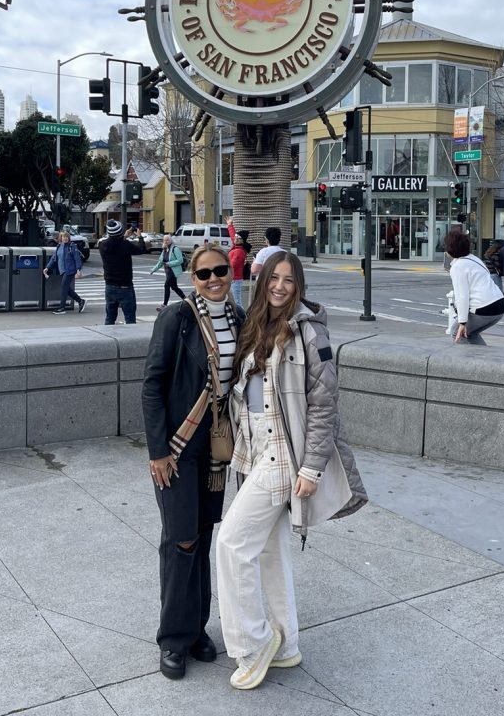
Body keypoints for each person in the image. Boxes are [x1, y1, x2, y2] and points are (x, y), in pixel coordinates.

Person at [216, 251, 367, 690]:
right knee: (268, 548)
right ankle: (286, 643)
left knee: (231, 542)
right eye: (274, 279)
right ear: (263, 283)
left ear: (299, 285)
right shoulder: (256, 326)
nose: (280, 286)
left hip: (285, 456)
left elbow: (324, 406)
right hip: (255, 450)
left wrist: (313, 470)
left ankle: (252, 642)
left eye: (289, 280)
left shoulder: (309, 332)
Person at [142, 246, 245, 681]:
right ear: (192, 277)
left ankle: (198, 628)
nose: (214, 279)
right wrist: (157, 451)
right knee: (180, 540)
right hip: (179, 447)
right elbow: (151, 386)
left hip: (217, 447)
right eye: (204, 274)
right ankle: (173, 638)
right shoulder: (177, 318)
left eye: (220, 271)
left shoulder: (239, 319)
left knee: (204, 537)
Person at [444, 229, 504, 344]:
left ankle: (470, 361)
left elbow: (462, 296)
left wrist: (462, 322)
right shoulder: (474, 259)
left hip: (485, 307)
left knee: (456, 331)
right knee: (470, 334)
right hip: (499, 303)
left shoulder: (458, 266)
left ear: (451, 248)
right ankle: (484, 359)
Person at [99, 219, 148, 324]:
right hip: (125, 286)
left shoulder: (102, 245)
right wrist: (139, 236)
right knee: (130, 318)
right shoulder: (126, 245)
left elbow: (115, 244)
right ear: (120, 232)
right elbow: (141, 249)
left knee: (110, 317)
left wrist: (123, 236)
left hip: (110, 286)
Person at [43, 230, 86, 315]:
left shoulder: (72, 246)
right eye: (63, 237)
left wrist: (78, 269)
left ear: (68, 238)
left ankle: (62, 308)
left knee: (63, 287)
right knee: (66, 288)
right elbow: (54, 258)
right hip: (62, 270)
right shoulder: (59, 246)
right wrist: (47, 267)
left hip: (70, 270)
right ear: (61, 238)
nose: (65, 238)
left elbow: (77, 258)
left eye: (66, 237)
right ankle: (81, 301)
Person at [151, 234, 186, 310]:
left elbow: (180, 260)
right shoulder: (164, 249)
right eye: (164, 240)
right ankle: (186, 300)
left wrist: (169, 264)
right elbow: (161, 262)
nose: (166, 241)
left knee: (166, 286)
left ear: (171, 240)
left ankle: (164, 305)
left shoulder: (175, 249)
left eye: (167, 240)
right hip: (168, 271)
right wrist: (153, 270)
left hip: (173, 271)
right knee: (174, 287)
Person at [226, 216, 247, 307]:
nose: (235, 239)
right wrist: (230, 225)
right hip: (233, 279)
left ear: (242, 241)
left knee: (237, 302)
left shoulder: (239, 251)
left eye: (238, 238)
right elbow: (232, 235)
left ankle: (242, 319)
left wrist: (222, 267)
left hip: (235, 280)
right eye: (236, 237)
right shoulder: (237, 247)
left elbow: (232, 265)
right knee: (234, 300)